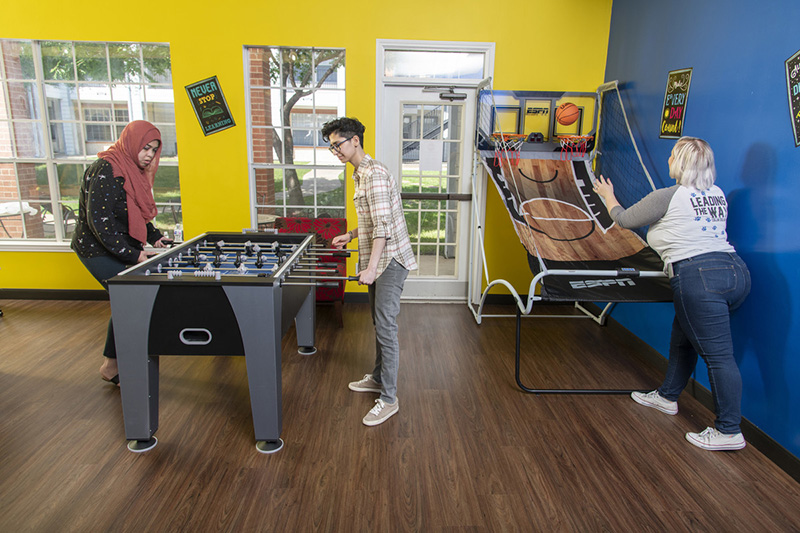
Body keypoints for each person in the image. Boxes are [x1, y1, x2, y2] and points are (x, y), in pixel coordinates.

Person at [593, 136, 750, 451]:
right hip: (735, 273)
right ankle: (667, 397)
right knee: (684, 338)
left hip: (698, 278)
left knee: (718, 357)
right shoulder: (717, 194)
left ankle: (729, 430)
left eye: (672, 156)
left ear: (681, 162)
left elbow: (624, 220)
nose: (668, 160)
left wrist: (608, 196)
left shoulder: (669, 195)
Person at [322, 117, 417, 426]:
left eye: (337, 144)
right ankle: (377, 378)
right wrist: (350, 235)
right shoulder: (359, 173)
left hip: (390, 260)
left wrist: (372, 268)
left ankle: (389, 399)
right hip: (379, 257)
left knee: (386, 327)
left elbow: (384, 229)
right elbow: (372, 218)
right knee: (378, 322)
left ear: (355, 142)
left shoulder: (373, 175)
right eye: (331, 145)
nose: (334, 149)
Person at [71, 120, 170, 385]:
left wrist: (155, 236)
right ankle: (112, 365)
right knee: (131, 295)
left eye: (154, 150)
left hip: (118, 246)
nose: (149, 154)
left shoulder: (133, 170)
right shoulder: (105, 169)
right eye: (145, 148)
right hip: (95, 249)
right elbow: (99, 223)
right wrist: (134, 255)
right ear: (131, 142)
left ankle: (113, 364)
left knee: (129, 297)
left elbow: (134, 211)